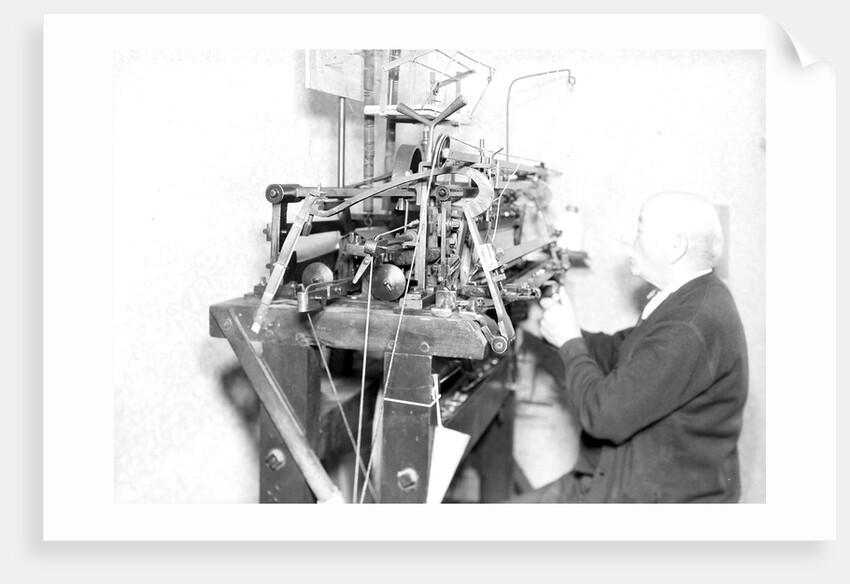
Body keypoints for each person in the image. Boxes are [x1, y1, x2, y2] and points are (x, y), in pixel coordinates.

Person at [512, 191, 748, 503]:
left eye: (638, 229)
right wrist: (551, 327)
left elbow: (603, 416)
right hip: (628, 477)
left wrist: (569, 343)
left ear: (675, 247)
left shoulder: (690, 325)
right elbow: (619, 349)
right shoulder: (694, 296)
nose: (626, 238)